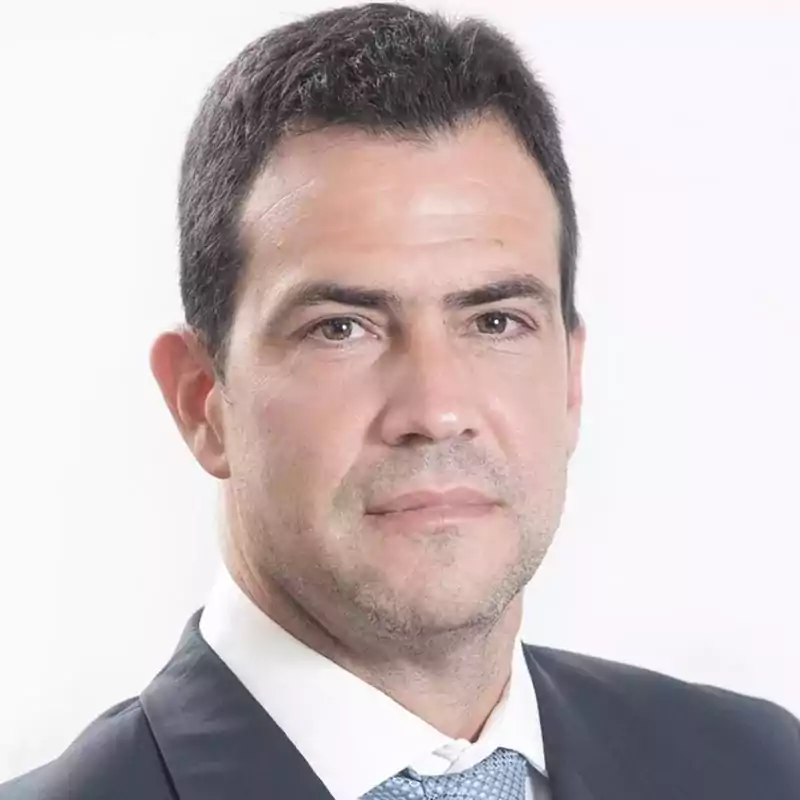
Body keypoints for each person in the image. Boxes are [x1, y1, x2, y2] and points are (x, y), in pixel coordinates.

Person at [3, 3, 799, 798]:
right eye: (341, 328)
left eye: (495, 320)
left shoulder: (759, 768)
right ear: (202, 400)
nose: (437, 409)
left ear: (570, 378)